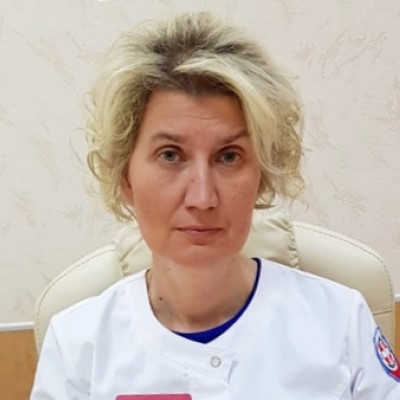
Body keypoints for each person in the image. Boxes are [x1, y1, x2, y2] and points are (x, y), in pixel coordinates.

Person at [30, 11, 400, 399]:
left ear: (262, 175)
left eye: (228, 157)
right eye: (170, 155)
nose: (202, 198)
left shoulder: (341, 323)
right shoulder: (78, 347)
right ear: (125, 177)